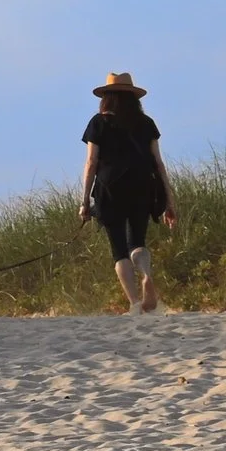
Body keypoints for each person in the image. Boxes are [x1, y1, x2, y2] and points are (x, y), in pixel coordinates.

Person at [80, 73, 177, 313]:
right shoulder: (146, 123)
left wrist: (84, 202)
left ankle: (135, 304)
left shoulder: (98, 123)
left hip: (110, 188)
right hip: (143, 185)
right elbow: (159, 163)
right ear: (133, 99)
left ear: (106, 98)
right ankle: (146, 274)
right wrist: (169, 201)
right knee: (138, 241)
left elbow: (91, 162)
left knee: (119, 250)